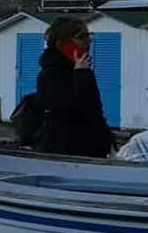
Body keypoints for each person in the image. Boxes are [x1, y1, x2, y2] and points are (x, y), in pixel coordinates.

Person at [36, 17, 112, 157]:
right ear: (63, 44)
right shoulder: (50, 74)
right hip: (66, 151)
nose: (88, 41)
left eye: (88, 35)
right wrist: (81, 74)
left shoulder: (80, 69)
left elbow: (95, 111)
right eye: (82, 37)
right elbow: (73, 109)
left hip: (90, 149)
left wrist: (106, 140)